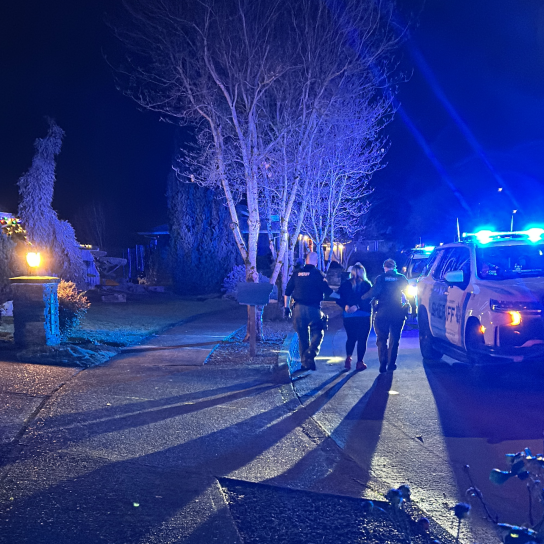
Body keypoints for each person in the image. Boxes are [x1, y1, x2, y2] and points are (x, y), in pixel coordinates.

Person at [284, 252, 333, 371]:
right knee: (318, 332)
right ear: (316, 261)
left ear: (306, 260)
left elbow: (287, 292)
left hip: (298, 309)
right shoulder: (317, 274)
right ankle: (310, 354)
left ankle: (305, 363)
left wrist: (286, 308)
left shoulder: (296, 274)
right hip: (313, 309)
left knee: (302, 337)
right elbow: (328, 291)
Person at [362, 258, 409, 373]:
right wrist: (412, 307)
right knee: (395, 338)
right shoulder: (401, 278)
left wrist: (361, 298)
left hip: (383, 311)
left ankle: (383, 360)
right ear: (395, 267)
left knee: (382, 338)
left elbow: (373, 292)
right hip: (397, 311)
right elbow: (410, 294)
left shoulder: (381, 278)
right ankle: (391, 363)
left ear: (385, 267)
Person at [335, 263, 372, 371]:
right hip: (363, 315)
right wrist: (358, 306)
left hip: (348, 316)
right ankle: (360, 362)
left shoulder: (345, 284)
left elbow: (337, 297)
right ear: (363, 272)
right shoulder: (367, 285)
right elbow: (369, 299)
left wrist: (345, 305)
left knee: (351, 338)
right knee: (362, 339)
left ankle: (348, 358)